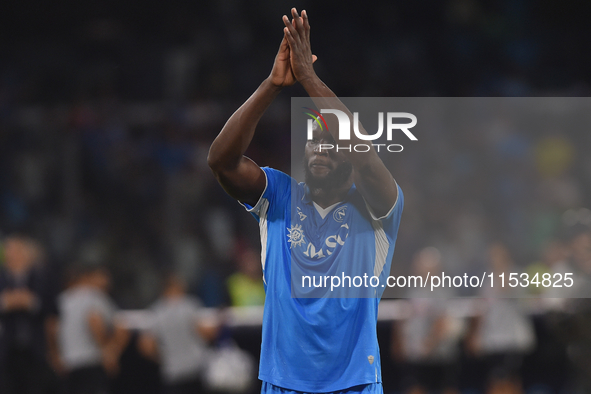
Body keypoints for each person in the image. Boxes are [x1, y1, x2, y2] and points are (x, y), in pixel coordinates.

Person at [208, 8, 403, 394]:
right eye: (313, 142)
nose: (319, 151)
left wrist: (309, 78)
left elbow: (365, 157)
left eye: (331, 144)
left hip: (355, 384)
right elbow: (221, 161)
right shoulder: (278, 195)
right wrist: (272, 85)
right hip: (283, 382)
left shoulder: (379, 207)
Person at [138, 273, 218, 394]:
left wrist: (162, 358)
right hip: (196, 368)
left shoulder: (156, 311)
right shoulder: (189, 305)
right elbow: (206, 333)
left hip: (172, 371)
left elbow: (146, 346)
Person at [57, 264, 129, 394]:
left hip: (69, 365)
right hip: (92, 362)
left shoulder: (62, 300)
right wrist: (110, 352)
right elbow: (97, 322)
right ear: (89, 277)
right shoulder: (95, 296)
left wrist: (55, 356)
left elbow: (52, 328)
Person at [0, 234, 55, 394]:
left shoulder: (42, 277)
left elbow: (53, 309)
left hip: (34, 348)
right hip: (5, 348)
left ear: (27, 254)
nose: (12, 255)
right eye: (9, 251)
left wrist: (31, 302)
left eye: (16, 251)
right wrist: (5, 302)